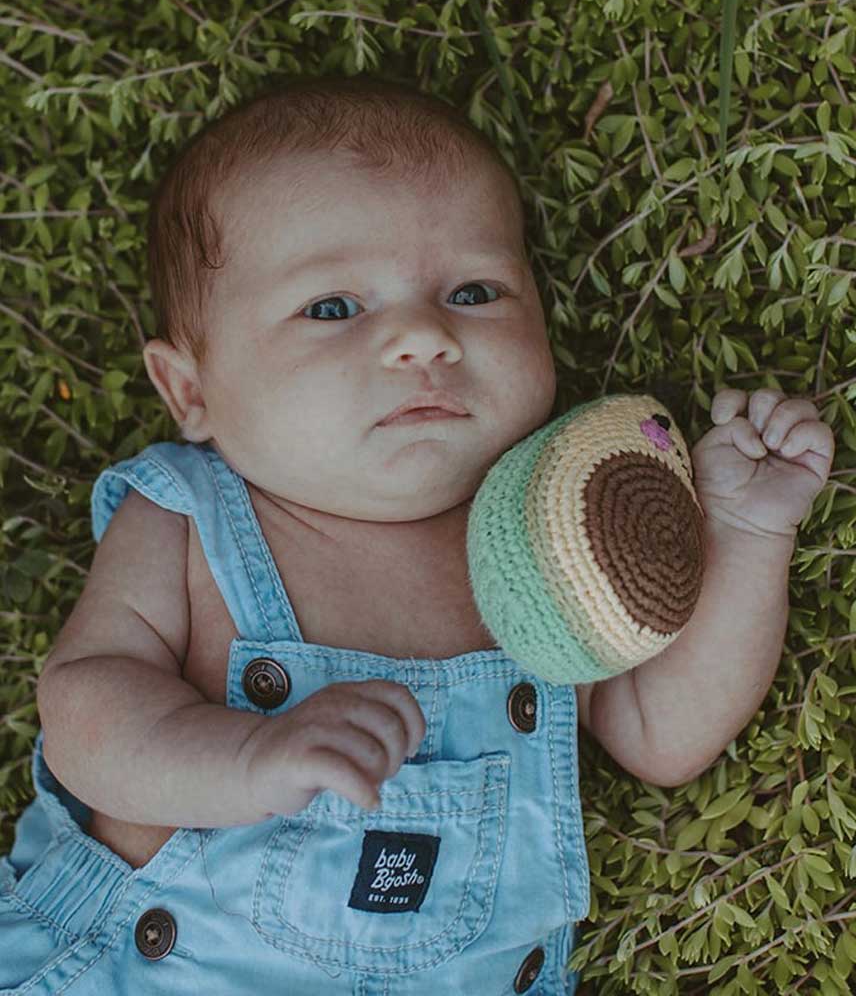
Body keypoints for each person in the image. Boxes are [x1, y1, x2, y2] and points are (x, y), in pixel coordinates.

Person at [0, 76, 834, 994]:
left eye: (474, 292)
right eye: (332, 307)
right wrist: (248, 757)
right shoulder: (189, 517)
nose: (423, 338)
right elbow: (85, 711)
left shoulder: (543, 542)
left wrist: (750, 536)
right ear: (192, 391)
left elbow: (658, 732)